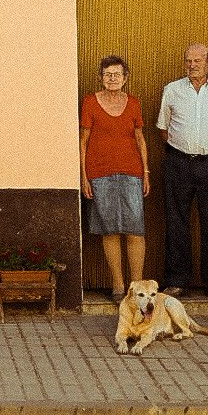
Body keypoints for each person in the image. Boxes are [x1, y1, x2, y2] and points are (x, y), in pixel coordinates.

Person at [157, 44, 208, 300]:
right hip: (178, 163)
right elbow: (164, 129)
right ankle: (176, 280)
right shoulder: (172, 91)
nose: (192, 65)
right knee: (176, 222)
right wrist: (184, 151)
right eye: (188, 61)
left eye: (197, 60)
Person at [80, 55, 150, 303]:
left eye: (117, 74)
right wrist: (84, 177)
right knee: (110, 231)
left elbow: (140, 139)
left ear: (125, 78)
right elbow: (84, 141)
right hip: (100, 173)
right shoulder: (89, 102)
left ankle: (137, 286)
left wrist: (146, 173)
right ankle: (118, 286)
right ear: (100, 77)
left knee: (134, 231)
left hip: (131, 173)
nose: (112, 79)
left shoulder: (133, 103)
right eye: (108, 74)